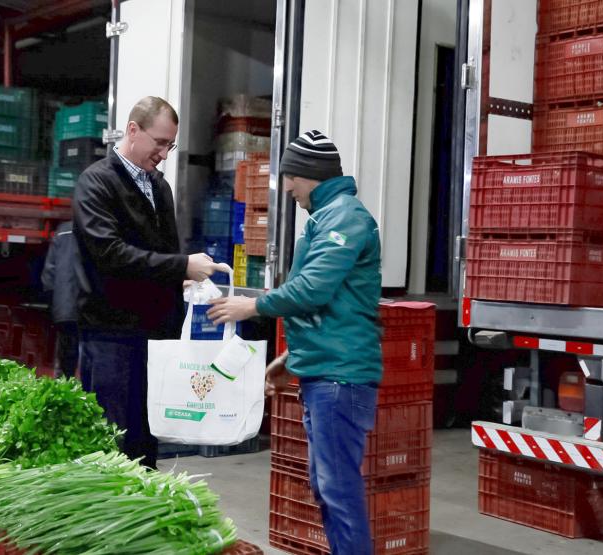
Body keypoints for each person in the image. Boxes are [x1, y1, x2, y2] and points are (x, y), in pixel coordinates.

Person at [208, 130, 382, 555]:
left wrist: (253, 306)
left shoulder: (344, 217)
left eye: (290, 177)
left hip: (341, 378)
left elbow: (314, 289)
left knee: (338, 490)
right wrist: (291, 357)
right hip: (325, 370)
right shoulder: (326, 216)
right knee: (327, 486)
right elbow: (333, 307)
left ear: (311, 175)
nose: (286, 187)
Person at [73, 96, 225, 469]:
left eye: (170, 145)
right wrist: (180, 267)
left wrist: (182, 283)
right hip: (111, 333)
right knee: (113, 439)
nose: (164, 153)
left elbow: (162, 251)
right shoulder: (97, 182)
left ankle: (144, 507)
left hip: (155, 335)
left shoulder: (159, 186)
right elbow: (109, 254)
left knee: (145, 437)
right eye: (159, 143)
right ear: (132, 130)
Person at [41, 221, 82, 383]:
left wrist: (52, 298)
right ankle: (85, 388)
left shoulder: (62, 231)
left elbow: (49, 272)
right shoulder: (97, 227)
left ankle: (64, 385)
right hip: (88, 304)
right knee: (88, 348)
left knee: (65, 347)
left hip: (63, 304)